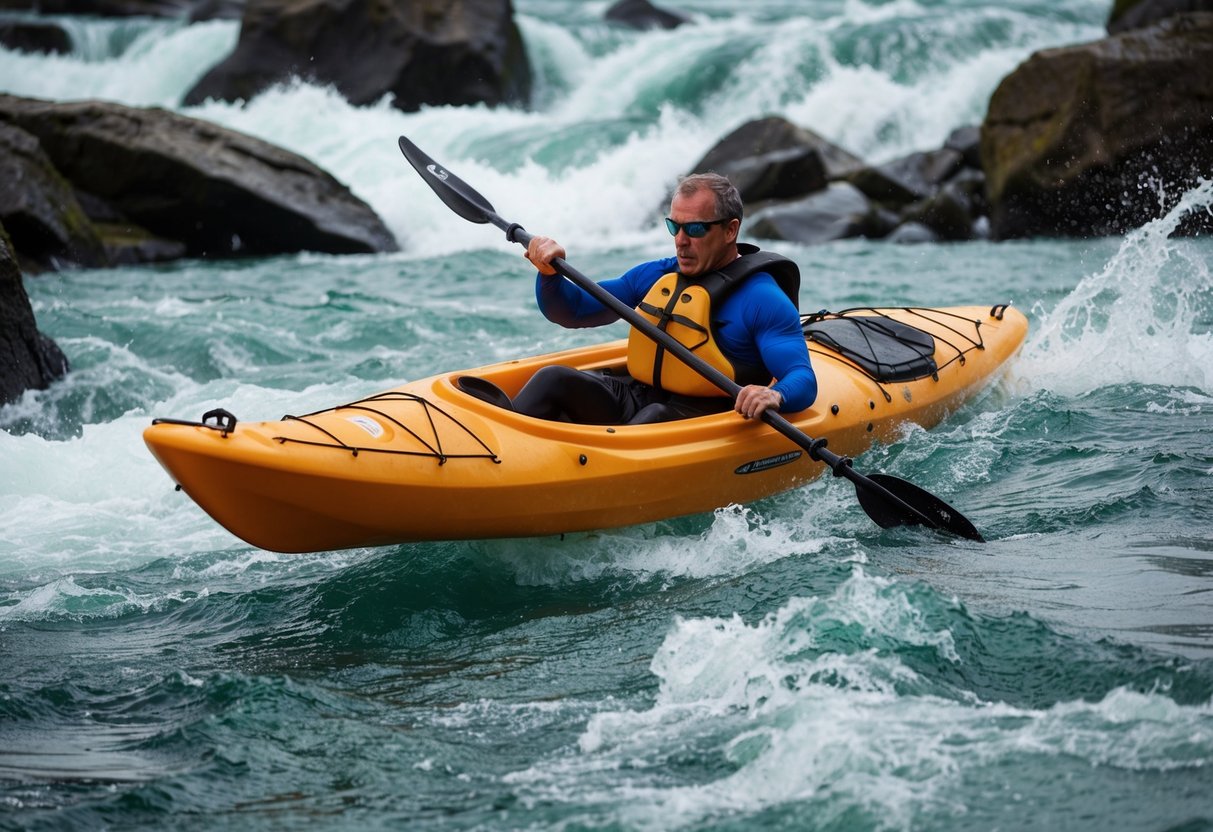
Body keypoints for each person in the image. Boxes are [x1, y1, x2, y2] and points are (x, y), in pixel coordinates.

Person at [512, 172, 816, 425]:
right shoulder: (656, 275)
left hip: (703, 416)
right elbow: (574, 310)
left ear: (730, 230)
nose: (681, 241)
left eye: (695, 229)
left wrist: (775, 395)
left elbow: (802, 377)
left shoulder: (762, 298)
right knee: (551, 378)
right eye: (675, 226)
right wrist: (549, 273)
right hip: (638, 397)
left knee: (654, 416)